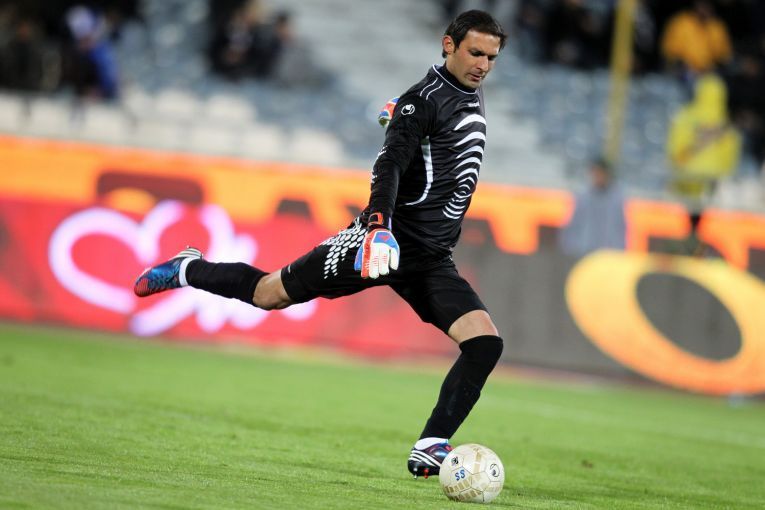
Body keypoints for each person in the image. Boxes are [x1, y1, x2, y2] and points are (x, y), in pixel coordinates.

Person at [135, 10, 507, 479]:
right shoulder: (423, 101)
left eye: (491, 57)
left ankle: (429, 446)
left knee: (484, 344)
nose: (483, 65)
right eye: (475, 53)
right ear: (448, 44)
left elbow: (422, 121)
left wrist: (397, 110)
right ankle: (188, 268)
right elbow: (389, 165)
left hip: (430, 258)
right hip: (383, 243)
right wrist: (378, 225)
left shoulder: (456, 94)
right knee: (270, 294)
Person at [559, 158, 626, 258]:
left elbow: (620, 229)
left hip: (607, 255)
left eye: (600, 173)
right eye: (595, 173)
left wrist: (618, 252)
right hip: (583, 253)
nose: (597, 177)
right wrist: (571, 248)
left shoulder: (616, 200)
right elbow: (572, 225)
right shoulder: (583, 197)